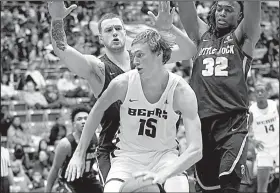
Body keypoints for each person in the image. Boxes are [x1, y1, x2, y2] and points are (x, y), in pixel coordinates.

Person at [48, 0, 196, 184]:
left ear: (126, 33)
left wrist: (170, 27)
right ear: (100, 38)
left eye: (118, 28)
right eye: (108, 31)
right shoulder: (99, 68)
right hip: (115, 151)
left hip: (155, 148)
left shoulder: (147, 57)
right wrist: (56, 19)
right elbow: (62, 50)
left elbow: (189, 51)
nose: (115, 33)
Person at [178, 1, 261, 193]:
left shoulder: (243, 37)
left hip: (232, 122)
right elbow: (186, 9)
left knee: (229, 184)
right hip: (201, 124)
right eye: (219, 9)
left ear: (240, 16)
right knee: (206, 188)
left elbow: (253, 7)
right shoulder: (201, 36)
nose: (221, 13)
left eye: (229, 10)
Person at [45, 106, 102, 193]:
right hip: (68, 181)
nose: (83, 121)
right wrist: (47, 191)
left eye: (86, 118)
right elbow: (55, 169)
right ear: (73, 124)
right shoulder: (65, 144)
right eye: (79, 119)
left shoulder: (97, 139)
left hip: (88, 178)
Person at [249, 83, 279, 193]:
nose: (260, 93)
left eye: (262, 91)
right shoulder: (251, 110)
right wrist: (253, 141)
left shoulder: (275, 105)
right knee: (261, 189)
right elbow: (244, 131)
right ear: (254, 95)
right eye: (257, 92)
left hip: (277, 146)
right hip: (264, 150)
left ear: (267, 93)